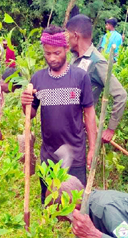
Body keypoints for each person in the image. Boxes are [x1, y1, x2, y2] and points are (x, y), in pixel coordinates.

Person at [20, 25, 97, 205]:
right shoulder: (37, 79)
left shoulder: (80, 77)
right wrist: (25, 104)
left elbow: (89, 113)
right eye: (47, 54)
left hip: (75, 154)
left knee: (77, 204)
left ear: (66, 49)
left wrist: (92, 149)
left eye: (56, 53)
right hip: (49, 155)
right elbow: (30, 114)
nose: (52, 58)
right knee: (49, 204)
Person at [66, 14, 128, 145]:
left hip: (80, 132)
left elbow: (121, 95)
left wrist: (110, 129)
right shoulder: (73, 57)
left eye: (68, 35)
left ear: (75, 36)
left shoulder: (97, 62)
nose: (67, 40)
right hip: (66, 127)